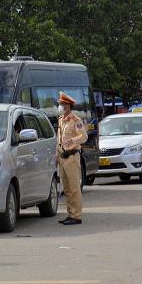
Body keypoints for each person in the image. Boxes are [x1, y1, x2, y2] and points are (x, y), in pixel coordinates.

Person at [56, 92, 88, 225]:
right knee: (67, 188)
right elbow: (59, 139)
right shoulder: (61, 120)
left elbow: (84, 137)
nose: (60, 106)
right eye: (60, 104)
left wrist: (72, 141)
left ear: (68, 106)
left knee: (74, 187)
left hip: (72, 157)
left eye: (62, 104)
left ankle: (76, 216)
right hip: (62, 157)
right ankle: (70, 213)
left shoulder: (76, 120)